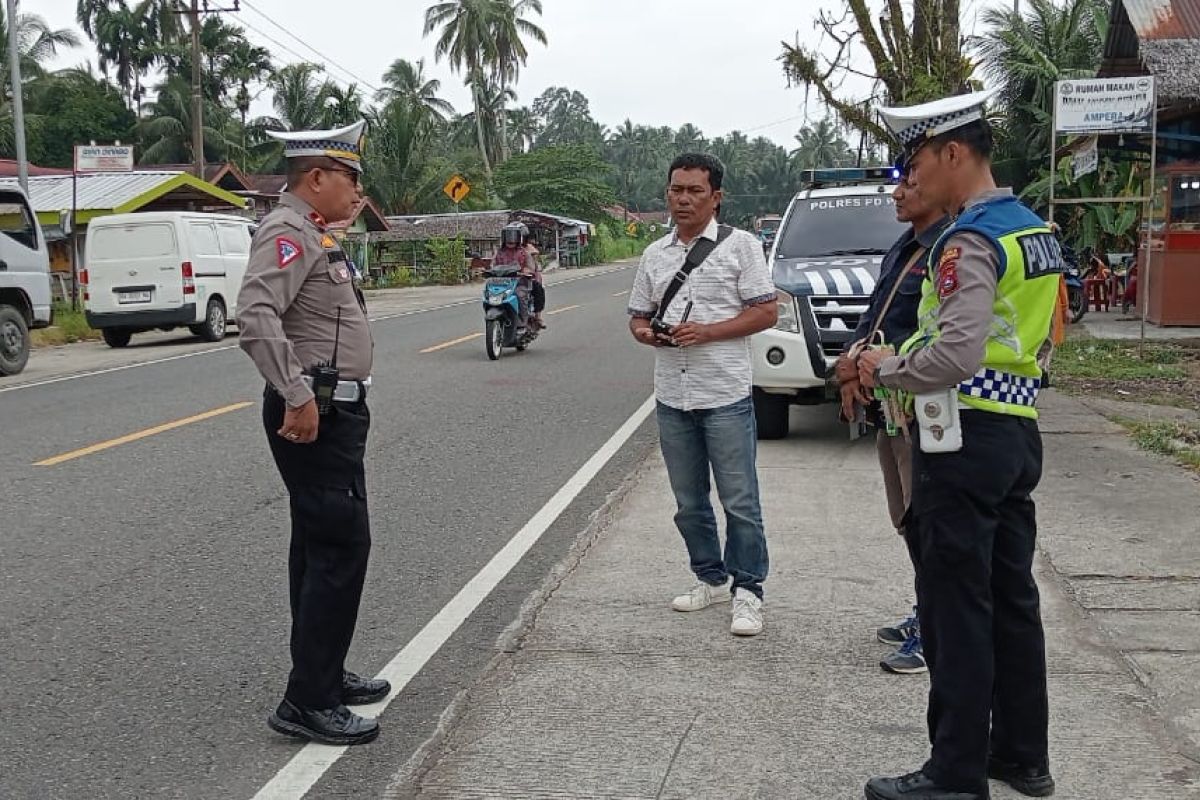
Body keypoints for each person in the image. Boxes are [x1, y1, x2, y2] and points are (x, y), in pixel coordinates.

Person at [858, 91, 1059, 800]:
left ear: (952, 154)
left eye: (913, 162)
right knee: (1011, 599)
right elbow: (1041, 342)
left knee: (955, 609)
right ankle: (1021, 756)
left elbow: (957, 352)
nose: (907, 177)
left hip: (960, 436)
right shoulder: (1033, 230)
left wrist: (889, 367)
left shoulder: (967, 239)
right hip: (1014, 431)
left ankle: (954, 773)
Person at [237, 120, 388, 747]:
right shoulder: (287, 231)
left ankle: (321, 672)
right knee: (338, 548)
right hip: (315, 412)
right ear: (317, 177)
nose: (358, 191)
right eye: (351, 178)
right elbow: (255, 314)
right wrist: (298, 395)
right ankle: (308, 701)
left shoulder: (312, 232)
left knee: (318, 545)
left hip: (335, 411)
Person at [627, 153, 778, 637]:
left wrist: (708, 332)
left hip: (725, 395)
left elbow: (766, 313)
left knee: (739, 501)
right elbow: (637, 316)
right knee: (688, 501)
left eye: (695, 191)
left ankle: (749, 591)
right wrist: (647, 332)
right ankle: (710, 578)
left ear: (716, 197)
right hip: (673, 395)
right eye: (676, 190)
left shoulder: (743, 248)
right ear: (666, 193)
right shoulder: (655, 254)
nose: (683, 199)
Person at [834, 177, 950, 676]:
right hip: (891, 405)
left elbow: (937, 336)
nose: (898, 195)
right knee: (905, 516)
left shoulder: (952, 249)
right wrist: (849, 367)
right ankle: (928, 609)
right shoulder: (906, 245)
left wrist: (880, 363)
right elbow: (876, 317)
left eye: (911, 184)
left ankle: (939, 628)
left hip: (926, 406)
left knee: (931, 520)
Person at [493, 222, 545, 329]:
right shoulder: (499, 252)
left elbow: (531, 265)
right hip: (504, 281)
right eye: (508, 236)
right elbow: (493, 264)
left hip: (521, 280)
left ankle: (534, 317)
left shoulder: (525, 251)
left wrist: (526, 271)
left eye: (513, 236)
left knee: (532, 290)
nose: (511, 239)